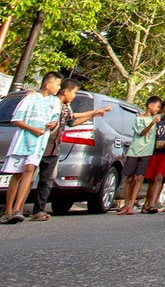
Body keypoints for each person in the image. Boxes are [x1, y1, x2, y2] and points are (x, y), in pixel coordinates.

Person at [30, 78, 110, 220]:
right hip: (38, 145)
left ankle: (38, 209)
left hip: (53, 148)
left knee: (47, 180)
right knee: (29, 178)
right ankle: (15, 208)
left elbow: (72, 121)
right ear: (66, 91)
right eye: (74, 93)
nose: (74, 96)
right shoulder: (49, 103)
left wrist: (93, 113)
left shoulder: (66, 107)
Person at [0, 71, 62, 224]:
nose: (58, 88)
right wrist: (32, 129)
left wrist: (52, 124)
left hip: (39, 143)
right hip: (23, 141)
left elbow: (55, 120)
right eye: (57, 84)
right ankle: (8, 210)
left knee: (29, 170)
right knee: (17, 174)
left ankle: (18, 208)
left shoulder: (55, 102)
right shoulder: (31, 98)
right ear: (48, 84)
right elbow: (16, 119)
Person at [119, 95, 162, 216]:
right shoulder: (139, 119)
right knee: (129, 178)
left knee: (139, 178)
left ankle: (132, 205)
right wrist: (152, 123)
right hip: (134, 151)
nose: (158, 109)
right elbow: (142, 133)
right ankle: (126, 204)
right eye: (157, 106)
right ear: (150, 105)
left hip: (147, 152)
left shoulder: (157, 118)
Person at [144, 98, 165, 213]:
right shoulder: (158, 120)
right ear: (162, 109)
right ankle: (147, 203)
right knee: (151, 178)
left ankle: (152, 204)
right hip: (154, 151)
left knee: (159, 177)